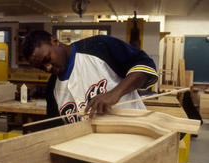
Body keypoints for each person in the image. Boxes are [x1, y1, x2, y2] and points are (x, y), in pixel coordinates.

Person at [23, 30, 158, 123]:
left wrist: (115, 93)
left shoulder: (98, 46)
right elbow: (56, 129)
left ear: (55, 41)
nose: (47, 68)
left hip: (133, 138)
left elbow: (146, 65)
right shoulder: (53, 87)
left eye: (47, 59)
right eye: (41, 67)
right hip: (93, 155)